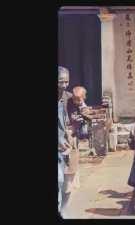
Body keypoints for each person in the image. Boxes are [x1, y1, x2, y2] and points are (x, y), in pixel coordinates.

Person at [58, 66, 72, 215]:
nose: (64, 85)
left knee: (66, 186)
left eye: (66, 81)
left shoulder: (66, 98)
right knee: (59, 181)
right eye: (60, 82)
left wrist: (69, 133)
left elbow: (67, 122)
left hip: (63, 150)